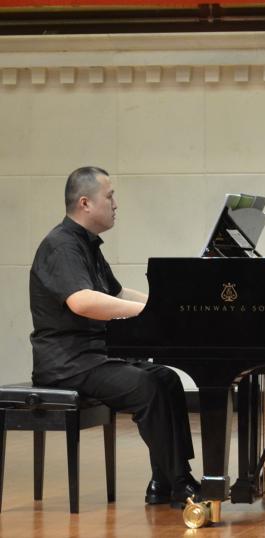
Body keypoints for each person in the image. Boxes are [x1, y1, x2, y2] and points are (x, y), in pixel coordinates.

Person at [29, 166, 200, 507]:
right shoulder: (61, 246)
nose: (115, 204)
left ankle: (164, 481)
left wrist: (165, 306)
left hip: (93, 357)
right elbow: (81, 301)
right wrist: (148, 312)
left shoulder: (86, 244)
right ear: (85, 203)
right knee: (146, 386)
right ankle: (180, 483)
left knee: (166, 379)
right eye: (109, 196)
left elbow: (116, 294)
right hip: (67, 362)